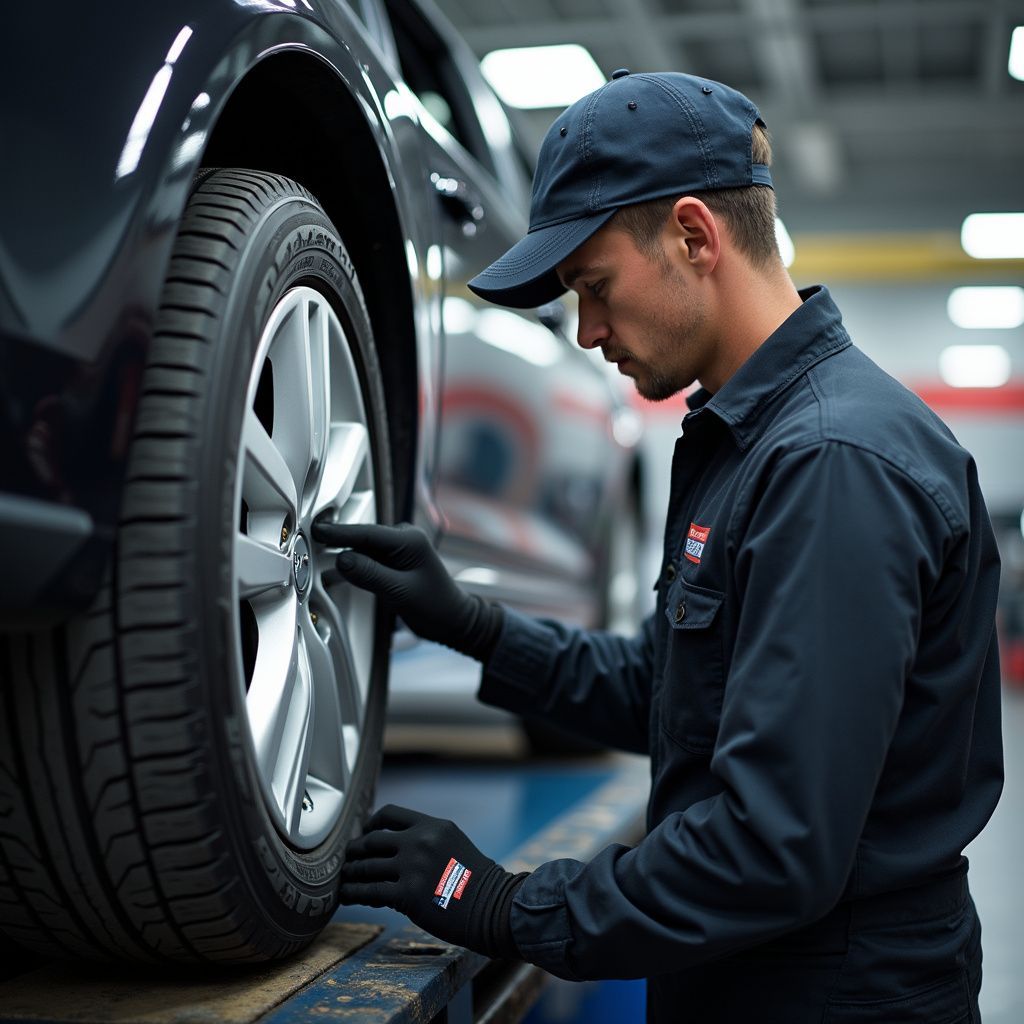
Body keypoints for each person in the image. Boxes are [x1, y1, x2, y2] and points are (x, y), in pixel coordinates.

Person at [312, 70, 1003, 1022]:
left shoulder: (832, 465)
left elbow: (770, 847)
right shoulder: (749, 440)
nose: (588, 332)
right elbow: (674, 696)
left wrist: (502, 902)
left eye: (594, 287)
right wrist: (471, 624)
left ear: (693, 235)